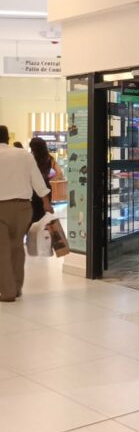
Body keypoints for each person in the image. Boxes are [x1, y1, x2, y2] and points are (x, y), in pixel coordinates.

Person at [0, 125, 52, 302]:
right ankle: (17, 287)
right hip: (23, 208)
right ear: (8, 138)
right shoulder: (23, 155)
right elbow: (38, 181)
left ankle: (7, 292)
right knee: (17, 246)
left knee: (2, 250)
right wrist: (46, 203)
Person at [29, 137, 59, 223]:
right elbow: (59, 173)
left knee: (34, 216)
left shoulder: (30, 159)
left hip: (33, 189)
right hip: (46, 188)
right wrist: (48, 178)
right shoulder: (50, 158)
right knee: (44, 215)